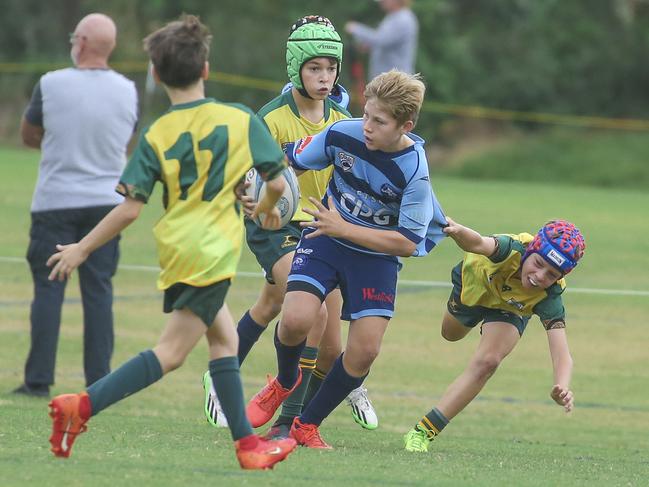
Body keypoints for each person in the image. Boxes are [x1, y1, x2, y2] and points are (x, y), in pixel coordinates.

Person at [44, 14, 298, 470]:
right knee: (172, 353)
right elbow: (277, 185)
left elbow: (129, 208)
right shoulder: (239, 118)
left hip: (179, 249)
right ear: (205, 69)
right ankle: (78, 407)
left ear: (156, 74)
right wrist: (262, 212)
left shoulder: (157, 134)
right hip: (210, 253)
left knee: (223, 343)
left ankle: (247, 445)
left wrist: (82, 246)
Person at [245, 69, 448, 449]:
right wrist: (260, 188)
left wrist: (346, 229)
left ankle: (306, 424)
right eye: (367, 114)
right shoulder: (343, 133)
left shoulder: (415, 170)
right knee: (295, 320)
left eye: (379, 121)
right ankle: (285, 381)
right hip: (325, 238)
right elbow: (289, 161)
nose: (367, 126)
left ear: (406, 125)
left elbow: (406, 242)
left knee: (364, 351)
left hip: (375, 255)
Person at [203, 15, 379, 437]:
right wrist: (242, 196)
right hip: (274, 224)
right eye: (314, 68)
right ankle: (289, 423)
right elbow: (239, 174)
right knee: (312, 309)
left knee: (309, 331)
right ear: (295, 68)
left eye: (331, 68)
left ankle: (222, 373)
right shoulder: (270, 118)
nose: (324, 77)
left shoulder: (341, 117)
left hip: (325, 226)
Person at [14, 13, 139, 398]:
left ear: (81, 42)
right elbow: (127, 139)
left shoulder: (51, 84)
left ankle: (38, 381)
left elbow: (28, 134)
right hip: (107, 204)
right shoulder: (128, 89)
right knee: (99, 291)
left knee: (49, 288)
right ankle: (99, 382)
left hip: (56, 200)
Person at [403, 219, 586, 452]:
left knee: (488, 362)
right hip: (474, 287)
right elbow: (479, 242)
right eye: (539, 263)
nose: (540, 276)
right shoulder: (511, 248)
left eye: (551, 274)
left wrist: (562, 386)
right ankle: (476, 318)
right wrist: (457, 231)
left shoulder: (549, 294)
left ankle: (423, 432)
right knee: (450, 334)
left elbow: (562, 353)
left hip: (510, 307)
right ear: (532, 251)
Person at [345, 0, 419, 80]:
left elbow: (380, 40)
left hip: (397, 83)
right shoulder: (392, 17)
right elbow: (385, 42)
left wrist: (356, 29)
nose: (381, 2)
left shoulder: (403, 19)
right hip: (389, 81)